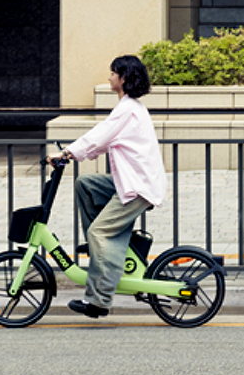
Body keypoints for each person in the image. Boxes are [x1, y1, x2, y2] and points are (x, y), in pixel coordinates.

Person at [54, 55, 168, 318]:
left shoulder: (128, 110)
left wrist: (67, 153)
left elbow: (99, 135)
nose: (109, 77)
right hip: (130, 183)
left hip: (139, 188)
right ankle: (105, 246)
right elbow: (103, 140)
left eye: (113, 73)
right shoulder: (128, 107)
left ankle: (100, 301)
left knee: (99, 233)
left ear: (123, 78)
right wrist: (72, 154)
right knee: (86, 184)